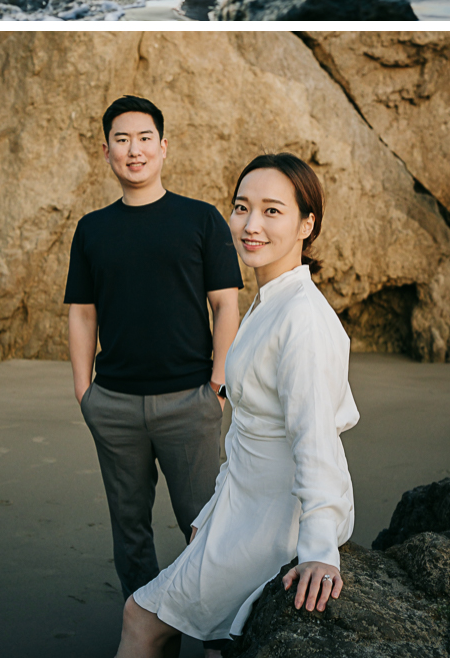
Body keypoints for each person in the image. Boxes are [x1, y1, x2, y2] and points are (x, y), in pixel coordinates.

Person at [117, 152, 360, 656]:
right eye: (241, 207)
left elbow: (314, 438)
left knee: (141, 615)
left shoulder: (303, 320)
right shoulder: (272, 299)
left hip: (273, 517)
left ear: (306, 224)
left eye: (272, 211)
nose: (251, 225)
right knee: (209, 641)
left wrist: (319, 551)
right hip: (242, 502)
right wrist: (211, 515)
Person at [64, 95, 242, 656]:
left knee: (205, 528)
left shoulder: (200, 218)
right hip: (113, 405)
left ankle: (213, 631)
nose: (133, 150)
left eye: (144, 138)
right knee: (131, 532)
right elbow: (82, 312)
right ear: (107, 151)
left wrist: (217, 385)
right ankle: (152, 642)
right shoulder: (93, 229)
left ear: (163, 147)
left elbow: (227, 304)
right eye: (122, 139)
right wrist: (84, 391)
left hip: (189, 401)